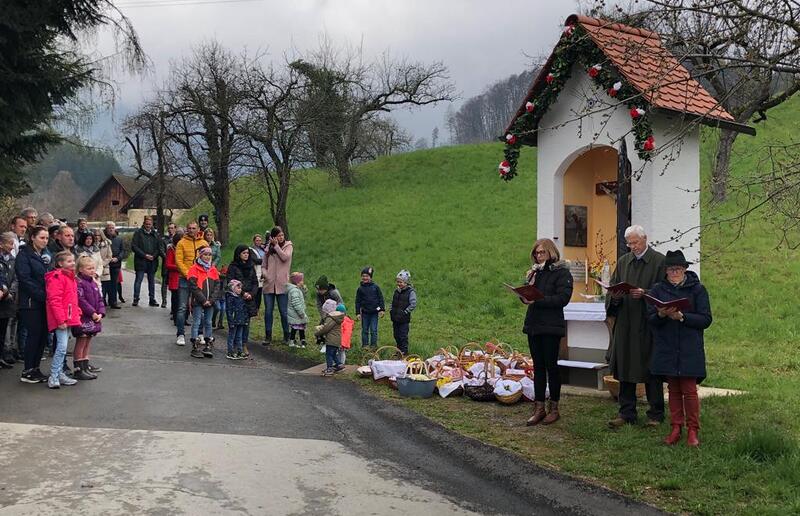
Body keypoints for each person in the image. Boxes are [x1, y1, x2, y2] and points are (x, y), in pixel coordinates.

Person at [647, 250, 712, 447]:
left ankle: (693, 429)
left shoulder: (698, 289)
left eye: (678, 269)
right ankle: (676, 427)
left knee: (689, 390)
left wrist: (683, 317)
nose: (674, 272)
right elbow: (650, 319)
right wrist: (661, 314)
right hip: (666, 346)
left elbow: (706, 319)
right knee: (673, 389)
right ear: (665, 271)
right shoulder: (657, 290)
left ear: (684, 269)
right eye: (670, 269)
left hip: (689, 347)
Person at [606, 225, 667, 428]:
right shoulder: (624, 262)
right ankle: (626, 413)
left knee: (651, 369)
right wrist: (615, 297)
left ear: (645, 239)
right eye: (630, 243)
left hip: (648, 324)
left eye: (636, 242)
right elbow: (612, 288)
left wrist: (645, 293)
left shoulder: (659, 261)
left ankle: (655, 414)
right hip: (626, 323)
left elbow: (666, 291)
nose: (633, 247)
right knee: (625, 367)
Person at [522, 238, 574, 426]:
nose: (539, 256)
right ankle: (539, 408)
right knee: (538, 367)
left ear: (551, 252)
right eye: (536, 253)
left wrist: (538, 300)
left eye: (542, 252)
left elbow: (562, 298)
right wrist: (525, 291)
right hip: (534, 325)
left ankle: (554, 408)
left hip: (551, 326)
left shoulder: (562, 272)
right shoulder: (535, 272)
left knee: (551, 366)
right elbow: (528, 295)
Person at [16, 226, 51, 383]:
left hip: (43, 301)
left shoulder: (43, 256)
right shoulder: (24, 255)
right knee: (34, 335)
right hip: (30, 302)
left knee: (42, 335)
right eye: (42, 238)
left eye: (47, 238)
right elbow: (25, 279)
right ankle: (28, 370)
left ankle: (35, 368)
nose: (45, 241)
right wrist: (42, 294)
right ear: (32, 238)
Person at [44, 251, 81, 388]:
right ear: (60, 263)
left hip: (67, 317)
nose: (72, 263)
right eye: (69, 261)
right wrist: (60, 320)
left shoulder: (70, 277)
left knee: (63, 348)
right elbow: (54, 300)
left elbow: (72, 299)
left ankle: (59, 374)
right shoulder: (57, 277)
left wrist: (77, 312)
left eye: (73, 261)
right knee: (61, 347)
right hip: (61, 319)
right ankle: (54, 375)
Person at [174, 221, 208, 345]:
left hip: (199, 280)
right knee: (182, 307)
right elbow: (179, 261)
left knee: (200, 307)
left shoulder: (204, 243)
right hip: (185, 279)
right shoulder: (181, 243)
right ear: (186, 229)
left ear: (198, 229)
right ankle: (180, 334)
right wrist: (189, 275)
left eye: (194, 228)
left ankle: (200, 333)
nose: (192, 230)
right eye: (189, 228)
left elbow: (207, 260)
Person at [73, 256, 105, 379]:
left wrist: (101, 312)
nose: (92, 271)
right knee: (81, 341)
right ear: (81, 269)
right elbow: (81, 300)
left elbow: (100, 299)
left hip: (94, 317)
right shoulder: (79, 283)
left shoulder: (94, 282)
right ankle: (78, 368)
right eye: (89, 268)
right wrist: (92, 313)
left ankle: (85, 366)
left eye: (93, 268)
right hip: (83, 317)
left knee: (88, 341)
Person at [187, 246, 222, 359]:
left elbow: (217, 286)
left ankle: (207, 344)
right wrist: (203, 300)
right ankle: (195, 345)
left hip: (210, 302)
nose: (207, 257)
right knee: (196, 322)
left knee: (208, 322)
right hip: (198, 301)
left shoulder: (213, 269)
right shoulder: (194, 269)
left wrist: (211, 300)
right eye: (205, 255)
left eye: (209, 255)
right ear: (200, 255)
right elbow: (193, 286)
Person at [261, 226, 293, 346]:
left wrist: (276, 246)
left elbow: (285, 257)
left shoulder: (288, 246)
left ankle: (287, 335)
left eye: (282, 235)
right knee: (268, 311)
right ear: (273, 237)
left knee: (283, 312)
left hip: (282, 284)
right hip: (269, 284)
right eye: (278, 236)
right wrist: (266, 275)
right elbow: (263, 265)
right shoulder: (268, 249)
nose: (281, 237)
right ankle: (268, 336)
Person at [226, 245, 259, 352]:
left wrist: (251, 294)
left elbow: (255, 282)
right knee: (237, 322)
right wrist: (243, 293)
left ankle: (244, 343)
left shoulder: (251, 266)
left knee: (246, 322)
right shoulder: (233, 267)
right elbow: (230, 282)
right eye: (244, 253)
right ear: (239, 254)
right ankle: (234, 344)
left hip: (249, 298)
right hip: (237, 298)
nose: (246, 255)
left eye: (247, 253)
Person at [131, 216, 162, 307]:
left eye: (150, 224)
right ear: (144, 224)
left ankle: (152, 299)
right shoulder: (138, 233)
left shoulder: (155, 234)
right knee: (138, 280)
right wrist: (144, 255)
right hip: (141, 261)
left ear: (152, 224)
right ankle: (136, 298)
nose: (148, 226)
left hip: (152, 261)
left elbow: (159, 247)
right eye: (147, 224)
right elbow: (134, 246)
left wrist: (154, 256)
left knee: (151, 281)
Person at [355, 266, 385, 349]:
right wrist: (358, 313)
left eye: (367, 276)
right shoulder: (360, 289)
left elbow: (380, 298)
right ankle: (365, 345)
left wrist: (381, 309)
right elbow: (357, 301)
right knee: (365, 330)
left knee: (373, 330)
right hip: (365, 313)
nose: (365, 278)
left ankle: (373, 345)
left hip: (374, 312)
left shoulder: (376, 287)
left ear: (370, 277)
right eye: (363, 276)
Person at [0, 232, 18, 366]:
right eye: (10, 244)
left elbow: (16, 278)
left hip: (7, 300)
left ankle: (1, 357)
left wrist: (10, 291)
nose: (12, 247)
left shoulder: (12, 260)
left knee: (3, 329)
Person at [315, 299, 346, 377]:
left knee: (328, 354)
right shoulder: (337, 317)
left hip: (331, 340)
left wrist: (317, 333)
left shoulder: (331, 318)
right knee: (333, 353)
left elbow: (326, 328)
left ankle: (329, 368)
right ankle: (339, 365)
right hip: (337, 339)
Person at [389, 270, 417, 355]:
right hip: (395, 317)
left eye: (401, 282)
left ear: (406, 282)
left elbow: (413, 304)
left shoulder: (411, 292)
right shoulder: (396, 291)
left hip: (404, 319)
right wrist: (391, 309)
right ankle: (398, 350)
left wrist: (406, 312)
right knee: (396, 335)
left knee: (403, 336)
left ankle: (404, 352)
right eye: (398, 282)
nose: (399, 284)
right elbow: (392, 301)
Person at [204, 228, 224, 330]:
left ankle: (212, 318)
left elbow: (218, 257)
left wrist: (213, 265)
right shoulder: (202, 244)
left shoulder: (216, 246)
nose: (209, 236)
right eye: (207, 235)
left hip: (212, 269)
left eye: (210, 235)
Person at [104, 222, 126, 309]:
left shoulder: (119, 239)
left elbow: (122, 251)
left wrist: (118, 258)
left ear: (115, 229)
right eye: (109, 227)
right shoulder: (103, 239)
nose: (111, 229)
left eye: (112, 227)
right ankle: (103, 301)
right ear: (106, 229)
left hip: (116, 265)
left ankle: (113, 302)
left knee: (114, 284)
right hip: (105, 265)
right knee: (105, 284)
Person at [225, 279, 249, 360]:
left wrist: (245, 320)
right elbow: (229, 311)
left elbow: (244, 310)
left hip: (241, 321)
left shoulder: (240, 298)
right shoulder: (230, 298)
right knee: (232, 336)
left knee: (239, 336)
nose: (240, 290)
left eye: (240, 288)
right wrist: (231, 321)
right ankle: (230, 351)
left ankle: (239, 351)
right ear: (233, 288)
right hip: (234, 321)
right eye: (238, 288)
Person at [286, 272, 309, 348]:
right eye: (301, 280)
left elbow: (303, 296)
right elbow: (296, 303)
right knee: (295, 328)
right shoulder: (294, 291)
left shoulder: (297, 289)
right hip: (296, 313)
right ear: (297, 282)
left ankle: (302, 340)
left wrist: (304, 289)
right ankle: (292, 341)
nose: (303, 281)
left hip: (297, 313)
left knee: (301, 327)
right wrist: (301, 313)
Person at [165, 231, 183, 325]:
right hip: (175, 277)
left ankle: (184, 319)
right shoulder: (171, 250)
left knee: (183, 300)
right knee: (176, 300)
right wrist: (179, 267)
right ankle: (176, 318)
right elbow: (168, 264)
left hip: (183, 277)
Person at [160, 222, 177, 308]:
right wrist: (168, 258)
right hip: (166, 265)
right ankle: (164, 301)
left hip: (176, 265)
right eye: (169, 228)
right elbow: (161, 250)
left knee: (174, 286)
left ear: (175, 229)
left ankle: (173, 304)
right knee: (164, 283)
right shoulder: (164, 239)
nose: (170, 230)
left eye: (172, 228)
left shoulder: (178, 239)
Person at [249, 234, 265, 314]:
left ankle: (257, 308)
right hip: (256, 271)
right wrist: (265, 261)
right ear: (254, 241)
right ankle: (253, 308)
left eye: (260, 240)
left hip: (263, 271)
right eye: (257, 240)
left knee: (260, 291)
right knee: (256, 290)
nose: (258, 242)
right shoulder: (251, 250)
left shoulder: (263, 249)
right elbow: (255, 260)